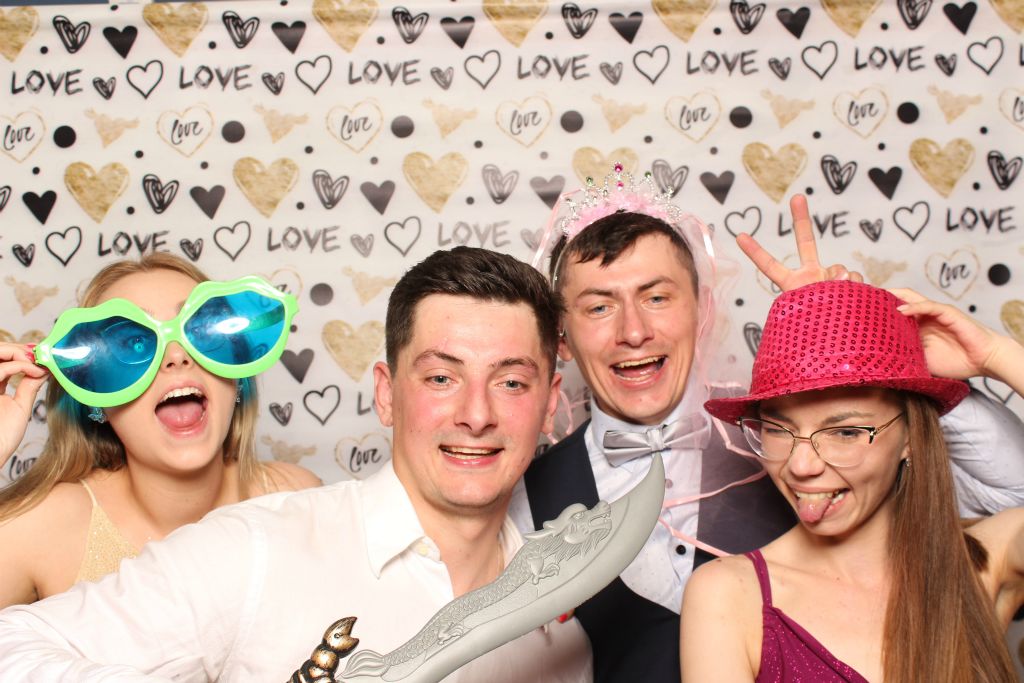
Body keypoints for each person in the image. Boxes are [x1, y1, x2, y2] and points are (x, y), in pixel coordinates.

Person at [512, 166, 1024, 682]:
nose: (634, 331)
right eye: (600, 307)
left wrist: (849, 354)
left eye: (657, 297)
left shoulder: (783, 438)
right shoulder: (518, 494)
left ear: (702, 309)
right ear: (561, 338)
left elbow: (1011, 494)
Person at [0, 246, 592, 681]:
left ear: (549, 405)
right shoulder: (254, 546)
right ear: (386, 394)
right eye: (441, 377)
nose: (477, 414)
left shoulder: (563, 630)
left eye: (511, 382)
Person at [681, 281, 1024, 682]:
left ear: (911, 437)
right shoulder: (729, 595)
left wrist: (998, 356)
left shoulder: (983, 560)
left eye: (845, 432)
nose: (800, 465)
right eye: (777, 429)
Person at [0, 253, 321, 608]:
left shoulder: (295, 499)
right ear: (97, 399)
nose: (176, 356)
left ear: (237, 379)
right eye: (134, 345)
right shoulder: (46, 527)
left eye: (201, 330)